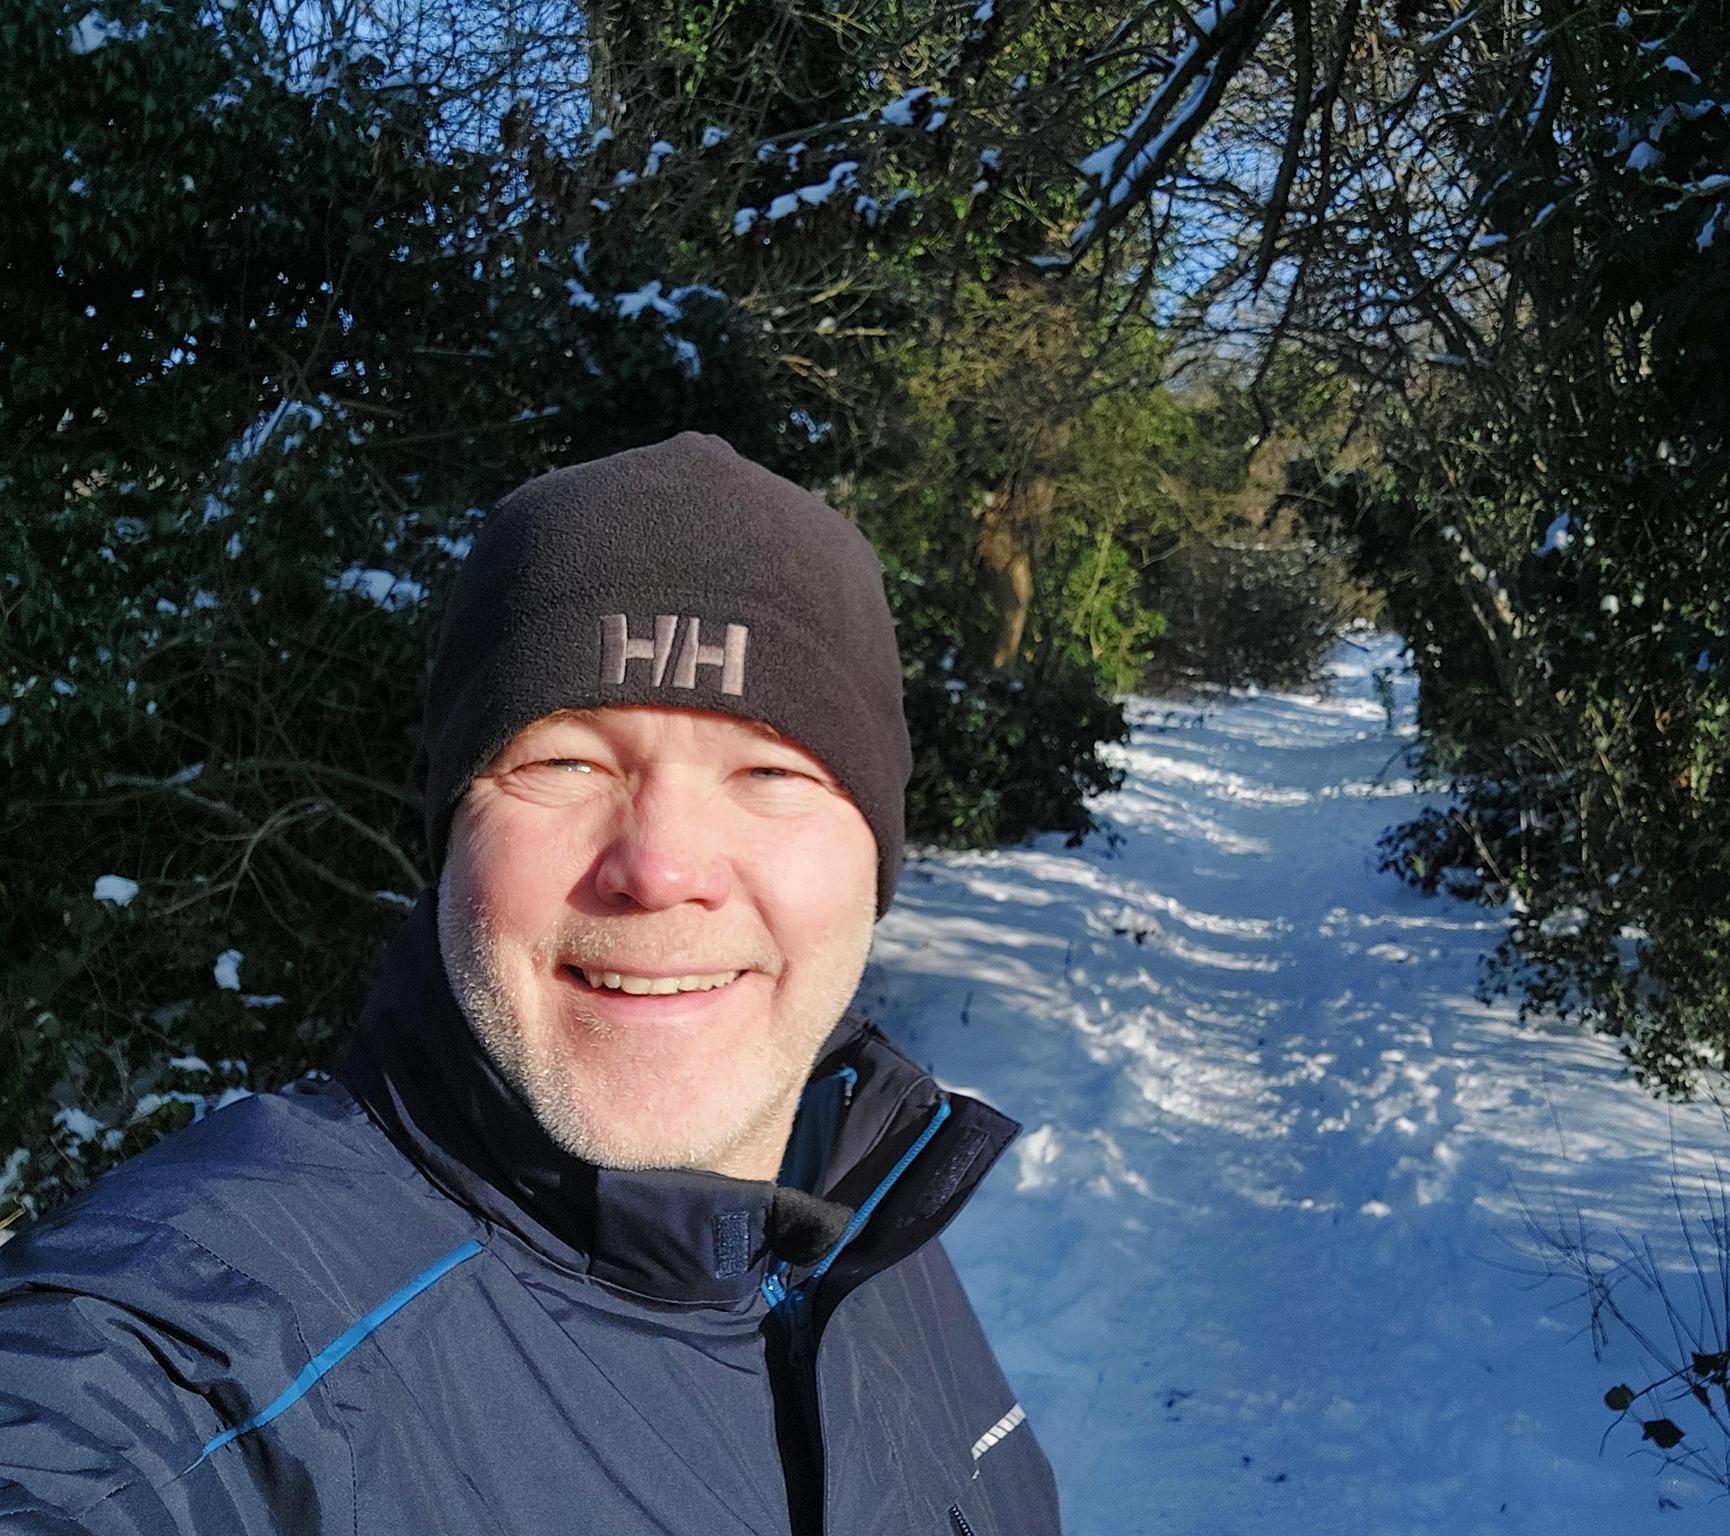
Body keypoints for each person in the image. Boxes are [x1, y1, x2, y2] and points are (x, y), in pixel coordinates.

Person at [0, 433, 1060, 1536]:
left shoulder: (869, 1214)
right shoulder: (210, 1353)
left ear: (874, 857)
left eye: (770, 771)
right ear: (453, 835)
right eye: (564, 762)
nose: (660, 868)